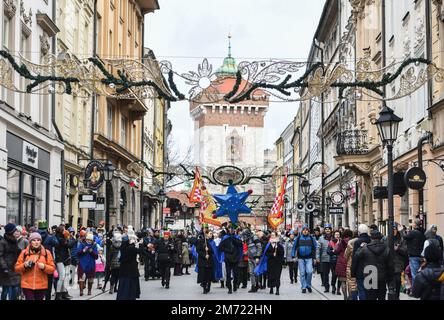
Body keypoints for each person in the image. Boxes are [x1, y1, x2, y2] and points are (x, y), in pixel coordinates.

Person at [352, 229, 393, 300]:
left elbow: (356, 256)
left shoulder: (365, 248)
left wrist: (360, 248)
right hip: (382, 277)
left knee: (370, 297)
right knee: (381, 297)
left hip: (369, 276)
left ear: (371, 238)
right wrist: (390, 278)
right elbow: (390, 265)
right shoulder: (386, 248)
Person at [14, 233, 56, 300]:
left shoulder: (46, 253)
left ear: (41, 241)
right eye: (34, 240)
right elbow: (16, 268)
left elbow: (52, 269)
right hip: (27, 285)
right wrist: (24, 265)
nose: (36, 242)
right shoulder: (24, 253)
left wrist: (44, 267)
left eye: (38, 240)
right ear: (30, 242)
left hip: (41, 285)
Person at [116, 229, 146, 300]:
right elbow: (140, 251)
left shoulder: (124, 248)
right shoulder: (131, 248)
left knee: (123, 287)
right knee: (130, 288)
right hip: (131, 271)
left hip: (124, 271)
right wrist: (141, 244)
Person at [37, 220, 59, 300]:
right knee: (49, 284)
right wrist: (51, 235)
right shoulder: (49, 237)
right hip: (48, 262)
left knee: (38, 284)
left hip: (37, 262)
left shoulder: (35, 237)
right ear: (46, 228)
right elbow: (57, 243)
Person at [218, 224, 243, 294]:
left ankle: (235, 285)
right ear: (228, 229)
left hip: (235, 258)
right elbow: (220, 248)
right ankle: (229, 287)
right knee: (228, 274)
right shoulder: (225, 237)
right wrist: (227, 250)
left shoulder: (237, 237)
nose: (231, 230)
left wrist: (233, 238)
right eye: (230, 228)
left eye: (233, 228)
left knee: (236, 274)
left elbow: (240, 245)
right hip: (228, 258)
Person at [292, 224, 317, 293]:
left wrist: (315, 258)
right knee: (302, 273)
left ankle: (308, 285)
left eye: (306, 230)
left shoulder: (311, 238)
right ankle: (303, 287)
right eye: (304, 230)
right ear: (302, 231)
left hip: (309, 258)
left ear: (308, 231)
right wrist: (293, 256)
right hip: (300, 258)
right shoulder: (298, 238)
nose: (305, 231)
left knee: (309, 272)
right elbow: (294, 247)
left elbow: (315, 248)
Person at [0, 223, 21, 300]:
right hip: (6, 269)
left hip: (14, 267)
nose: (16, 232)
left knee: (15, 288)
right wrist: (4, 267)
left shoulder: (14, 240)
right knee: (5, 290)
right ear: (10, 231)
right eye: (14, 230)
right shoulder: (2, 242)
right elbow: (0, 256)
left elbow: (17, 251)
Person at [350, 223, 371, 300]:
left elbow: (355, 258)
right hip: (371, 268)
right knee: (369, 290)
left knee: (361, 289)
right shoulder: (371, 240)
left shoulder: (357, 242)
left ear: (359, 232)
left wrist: (353, 272)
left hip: (360, 269)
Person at [54, 225, 75, 300]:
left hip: (64, 258)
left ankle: (63, 293)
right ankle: (58, 294)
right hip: (60, 259)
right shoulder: (60, 239)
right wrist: (74, 240)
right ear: (61, 231)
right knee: (62, 277)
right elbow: (69, 245)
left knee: (65, 276)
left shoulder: (60, 238)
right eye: (64, 230)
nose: (65, 231)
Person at [404, 218, 426, 286]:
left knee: (414, 274)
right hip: (421, 256)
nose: (412, 224)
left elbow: (405, 237)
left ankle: (415, 291)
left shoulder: (413, 232)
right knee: (420, 274)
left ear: (415, 225)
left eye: (413, 223)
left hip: (414, 256)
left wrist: (403, 231)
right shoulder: (423, 232)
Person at [389, 222, 408, 300]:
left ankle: (397, 296)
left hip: (398, 263)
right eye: (392, 229)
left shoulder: (402, 239)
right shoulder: (387, 238)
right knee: (390, 281)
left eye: (395, 229)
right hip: (389, 263)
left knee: (397, 280)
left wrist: (398, 249)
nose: (394, 231)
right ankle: (392, 294)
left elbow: (405, 251)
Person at [334, 228, 352, 300]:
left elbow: (336, 251)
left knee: (343, 281)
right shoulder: (352, 241)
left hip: (341, 262)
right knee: (350, 282)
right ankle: (350, 297)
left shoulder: (341, 242)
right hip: (350, 262)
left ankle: (345, 297)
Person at [196, 229, 215, 294]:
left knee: (209, 275)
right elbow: (198, 250)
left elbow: (213, 251)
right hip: (203, 261)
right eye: (210, 233)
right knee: (204, 275)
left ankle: (208, 287)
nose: (211, 235)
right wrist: (204, 255)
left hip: (209, 261)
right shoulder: (201, 241)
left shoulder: (211, 241)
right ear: (206, 234)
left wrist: (208, 249)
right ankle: (204, 288)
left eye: (211, 234)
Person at [317, 223, 333, 292]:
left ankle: (333, 286)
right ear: (324, 230)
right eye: (326, 229)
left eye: (328, 229)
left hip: (333, 259)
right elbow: (318, 248)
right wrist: (317, 257)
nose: (327, 230)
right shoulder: (321, 238)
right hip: (324, 259)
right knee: (325, 274)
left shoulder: (334, 238)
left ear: (331, 230)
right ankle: (327, 287)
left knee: (334, 274)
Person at [327, 230, 341, 295]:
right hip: (333, 261)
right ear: (334, 235)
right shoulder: (331, 242)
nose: (337, 236)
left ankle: (338, 289)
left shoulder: (342, 242)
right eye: (336, 235)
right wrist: (334, 251)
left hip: (340, 261)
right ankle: (333, 286)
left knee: (340, 275)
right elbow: (328, 251)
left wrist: (334, 250)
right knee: (334, 274)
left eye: (338, 234)